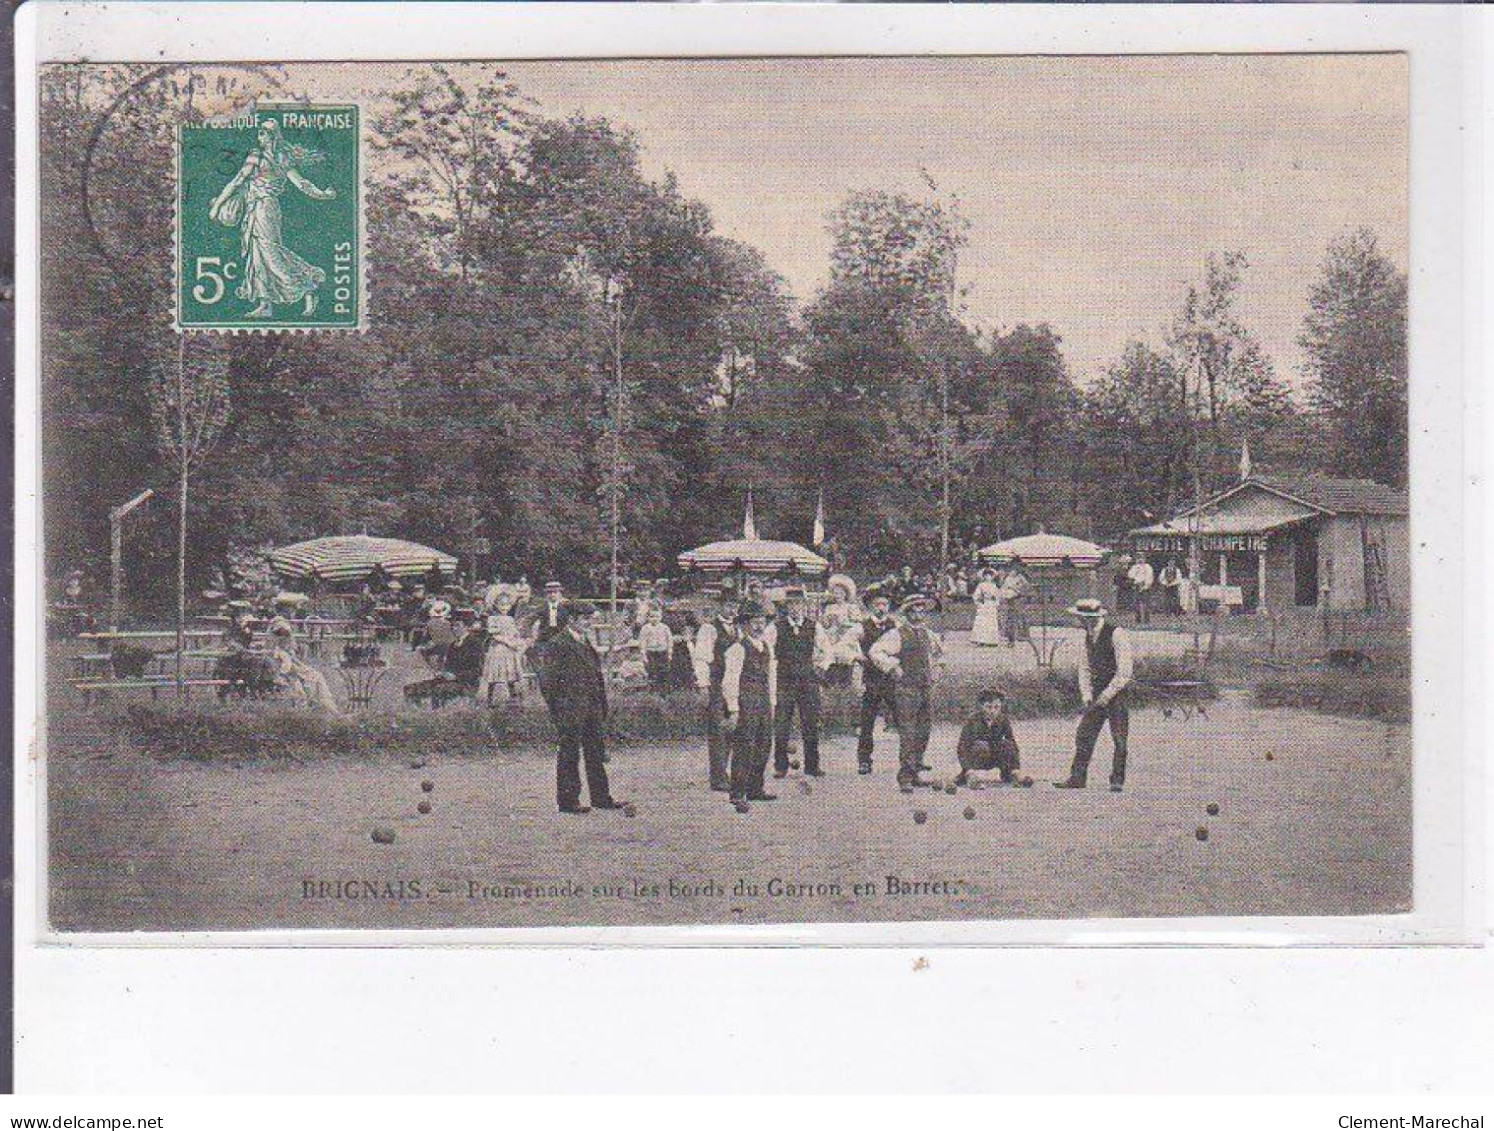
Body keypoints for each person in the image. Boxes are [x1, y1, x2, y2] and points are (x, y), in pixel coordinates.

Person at [208, 118, 337, 319]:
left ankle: (308, 287)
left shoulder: (267, 157)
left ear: (273, 135)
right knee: (257, 255)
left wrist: (322, 194)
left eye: (264, 131)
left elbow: (300, 183)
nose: (260, 135)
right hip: (257, 208)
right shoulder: (270, 157)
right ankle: (265, 304)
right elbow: (238, 182)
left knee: (269, 253)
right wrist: (322, 194)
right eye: (260, 131)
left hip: (264, 208)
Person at [536, 601, 624, 815]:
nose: (589, 624)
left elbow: (596, 677)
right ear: (571, 620)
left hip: (591, 707)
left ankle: (601, 797)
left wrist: (601, 705)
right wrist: (559, 708)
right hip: (571, 709)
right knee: (569, 754)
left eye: (590, 620)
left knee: (596, 752)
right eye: (585, 619)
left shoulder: (585, 642)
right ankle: (568, 800)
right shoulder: (558, 644)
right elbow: (548, 681)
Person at [1054, 599, 1134, 793]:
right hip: (1097, 692)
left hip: (1117, 692)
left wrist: (1108, 695)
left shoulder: (1117, 634)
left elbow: (1125, 671)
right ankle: (1077, 777)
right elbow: (1085, 668)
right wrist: (1087, 694)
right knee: (1084, 735)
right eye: (1081, 619)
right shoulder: (1086, 637)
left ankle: (1117, 780)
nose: (1083, 622)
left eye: (1086, 618)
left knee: (1119, 739)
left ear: (1095, 617)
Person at [869, 595, 943, 792]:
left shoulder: (929, 634)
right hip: (906, 689)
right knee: (908, 732)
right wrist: (893, 667)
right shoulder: (897, 634)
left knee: (923, 731)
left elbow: (939, 655)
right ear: (908, 613)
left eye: (922, 610)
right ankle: (905, 776)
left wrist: (936, 671)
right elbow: (876, 651)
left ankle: (916, 770)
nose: (919, 613)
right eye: (915, 610)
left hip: (925, 688)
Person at [721, 600, 777, 805]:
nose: (759, 626)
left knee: (763, 744)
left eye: (762, 622)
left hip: (763, 701)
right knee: (745, 745)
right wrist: (734, 708)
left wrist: (772, 702)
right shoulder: (738, 649)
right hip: (746, 701)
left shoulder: (767, 647)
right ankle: (737, 791)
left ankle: (755, 788)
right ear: (744, 625)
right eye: (754, 622)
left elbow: (771, 676)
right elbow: (730, 680)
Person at [771, 587, 828, 779]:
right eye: (791, 604)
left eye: (799, 604)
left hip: (807, 680)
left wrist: (819, 669)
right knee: (781, 723)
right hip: (784, 681)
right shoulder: (775, 627)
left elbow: (826, 651)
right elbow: (768, 653)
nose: (795, 608)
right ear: (786, 607)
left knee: (811, 723)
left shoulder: (814, 626)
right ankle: (780, 765)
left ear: (805, 606)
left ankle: (812, 765)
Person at [693, 588, 740, 792]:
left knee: (733, 728)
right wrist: (704, 684)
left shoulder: (739, 628)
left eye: (735, 606)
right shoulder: (709, 629)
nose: (732, 610)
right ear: (720, 606)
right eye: (729, 605)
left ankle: (726, 772)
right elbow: (701, 658)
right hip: (716, 682)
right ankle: (718, 777)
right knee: (718, 729)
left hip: (735, 683)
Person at [855, 592, 901, 775]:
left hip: (891, 679)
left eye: (884, 603)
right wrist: (858, 656)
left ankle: (912, 760)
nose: (881, 607)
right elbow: (845, 646)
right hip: (871, 679)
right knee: (867, 722)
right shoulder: (861, 627)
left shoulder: (896, 626)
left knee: (902, 718)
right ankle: (864, 761)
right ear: (870, 606)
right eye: (877, 604)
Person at [266, 616, 341, 713]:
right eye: (282, 634)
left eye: (286, 635)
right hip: (288, 673)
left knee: (317, 678)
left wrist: (303, 668)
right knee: (310, 682)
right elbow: (286, 667)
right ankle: (328, 709)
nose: (286, 637)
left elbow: (294, 661)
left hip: (294, 670)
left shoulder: (285, 648)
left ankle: (330, 709)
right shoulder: (278, 651)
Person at [954, 688, 1024, 787]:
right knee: (981, 745)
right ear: (982, 706)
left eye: (996, 707)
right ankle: (968, 775)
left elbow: (1014, 746)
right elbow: (962, 748)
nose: (992, 711)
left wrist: (1016, 769)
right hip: (979, 757)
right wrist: (968, 770)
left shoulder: (1003, 720)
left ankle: (1008, 773)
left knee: (1007, 744)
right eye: (988, 707)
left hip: (996, 756)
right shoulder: (973, 720)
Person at [480, 588, 526, 706]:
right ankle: (489, 699)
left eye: (507, 605)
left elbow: (515, 633)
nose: (504, 608)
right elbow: (494, 635)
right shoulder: (492, 619)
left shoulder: (510, 619)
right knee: (495, 673)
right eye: (501, 605)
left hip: (510, 649)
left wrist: (517, 638)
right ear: (496, 605)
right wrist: (507, 642)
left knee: (511, 672)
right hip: (499, 648)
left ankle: (513, 697)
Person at [639, 604, 674, 692]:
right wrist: (643, 654)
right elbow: (643, 641)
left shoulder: (665, 628)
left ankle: (664, 689)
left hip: (662, 651)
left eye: (657, 616)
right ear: (648, 617)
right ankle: (653, 689)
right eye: (652, 616)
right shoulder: (645, 628)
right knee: (652, 670)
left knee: (663, 670)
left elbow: (669, 640)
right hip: (651, 651)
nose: (655, 618)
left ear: (661, 617)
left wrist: (669, 652)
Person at [970, 568, 1005, 646]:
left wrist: (996, 600)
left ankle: (991, 640)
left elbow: (998, 595)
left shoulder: (994, 585)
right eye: (986, 575)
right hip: (984, 604)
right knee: (982, 621)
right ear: (984, 576)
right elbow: (976, 595)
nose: (988, 577)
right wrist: (979, 601)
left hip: (991, 605)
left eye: (990, 575)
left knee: (991, 621)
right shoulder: (981, 585)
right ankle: (980, 640)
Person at [1127, 556, 1155, 626]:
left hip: (1145, 586)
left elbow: (1150, 577)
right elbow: (1130, 575)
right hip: (1136, 585)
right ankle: (1138, 621)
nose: (1140, 560)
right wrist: (1136, 570)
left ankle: (1146, 621)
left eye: (1142, 558)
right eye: (1139, 558)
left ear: (1145, 559)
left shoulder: (1148, 567)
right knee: (1136, 604)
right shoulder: (1134, 567)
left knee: (1146, 604)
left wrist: (1146, 586)